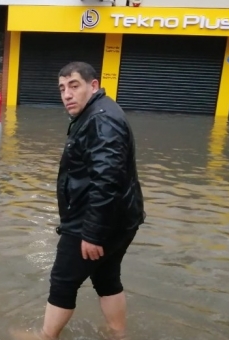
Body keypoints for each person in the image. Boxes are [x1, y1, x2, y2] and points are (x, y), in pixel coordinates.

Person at [11, 61, 146, 340]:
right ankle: (118, 335)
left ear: (93, 85)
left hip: (95, 221)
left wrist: (92, 233)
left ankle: (46, 336)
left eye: (74, 86)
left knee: (63, 280)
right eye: (62, 89)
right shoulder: (99, 112)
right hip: (120, 219)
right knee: (107, 278)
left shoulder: (101, 119)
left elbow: (106, 180)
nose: (67, 95)